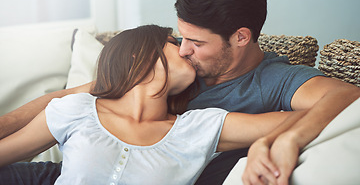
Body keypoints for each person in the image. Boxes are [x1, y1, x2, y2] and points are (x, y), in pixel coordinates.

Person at [0, 0, 359, 184]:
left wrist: (285, 140)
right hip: (75, 166)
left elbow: (345, 96)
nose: (184, 49)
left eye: (196, 42)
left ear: (240, 37)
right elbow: (76, 96)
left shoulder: (274, 81)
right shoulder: (167, 58)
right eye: (180, 36)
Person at [0, 25, 301, 185]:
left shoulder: (200, 127)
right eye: (174, 41)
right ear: (139, 55)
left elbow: (313, 116)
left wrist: (270, 142)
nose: (186, 50)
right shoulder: (78, 109)